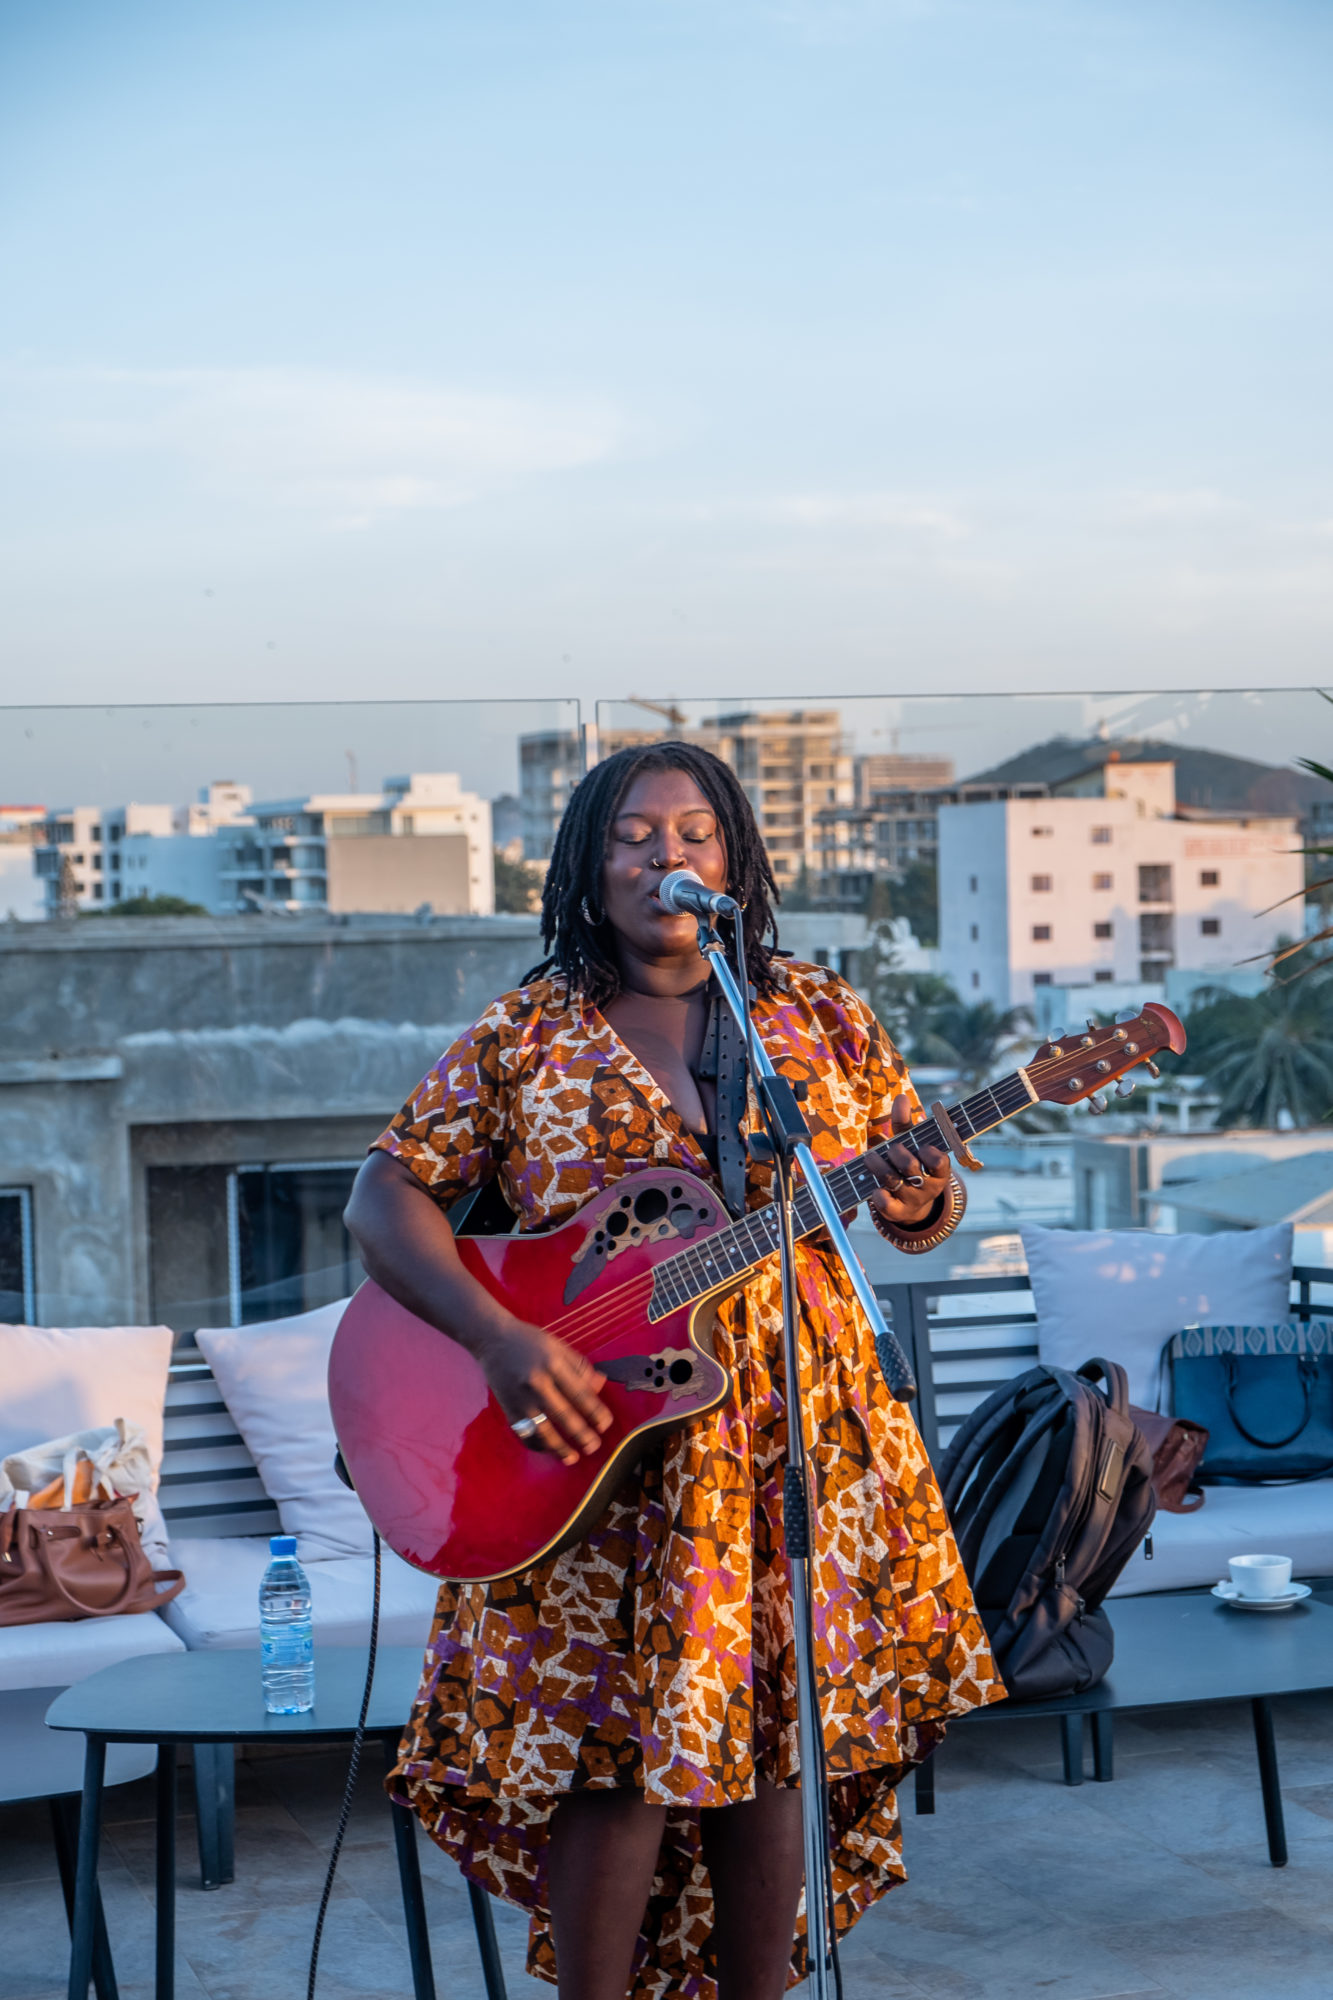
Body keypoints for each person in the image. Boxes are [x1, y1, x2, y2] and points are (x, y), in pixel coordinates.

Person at [344, 741, 1002, 2000]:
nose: (668, 856)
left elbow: (912, 1206)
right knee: (611, 1749)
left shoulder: (817, 1014)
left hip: (799, 1432)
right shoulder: (527, 1032)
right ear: (588, 869)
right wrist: (498, 1337)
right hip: (593, 1444)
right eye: (634, 835)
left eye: (695, 832)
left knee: (777, 1731)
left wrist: (924, 1198)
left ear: (734, 858)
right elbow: (384, 1196)